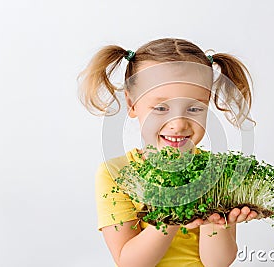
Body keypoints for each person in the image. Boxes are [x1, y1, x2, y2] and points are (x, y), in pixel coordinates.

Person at [78, 38, 258, 267]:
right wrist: (174, 213)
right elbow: (130, 263)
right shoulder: (116, 174)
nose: (179, 123)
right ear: (132, 104)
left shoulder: (216, 173)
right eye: (161, 108)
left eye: (194, 108)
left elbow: (217, 262)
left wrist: (217, 222)